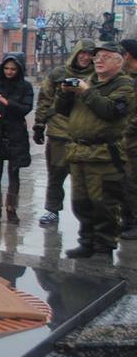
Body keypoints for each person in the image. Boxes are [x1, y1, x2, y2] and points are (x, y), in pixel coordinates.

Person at [55, 42, 134, 259]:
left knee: (104, 204)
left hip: (104, 155)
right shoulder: (87, 82)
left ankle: (103, 247)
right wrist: (65, 93)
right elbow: (61, 111)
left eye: (106, 57)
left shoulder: (124, 85)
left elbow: (111, 111)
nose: (98, 60)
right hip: (79, 152)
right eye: (97, 56)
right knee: (80, 202)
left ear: (119, 62)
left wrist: (86, 92)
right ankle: (87, 242)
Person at [33, 39, 95, 227]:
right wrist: (39, 124)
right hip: (59, 133)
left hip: (84, 135)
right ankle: (52, 210)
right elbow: (44, 98)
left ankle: (87, 216)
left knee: (84, 179)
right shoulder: (59, 74)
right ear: (76, 53)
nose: (85, 57)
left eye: (89, 54)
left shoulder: (96, 76)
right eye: (82, 53)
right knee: (56, 175)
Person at [0, 53, 34, 224]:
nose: (9, 72)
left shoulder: (25, 87)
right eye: (6, 68)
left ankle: (11, 209)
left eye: (13, 69)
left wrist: (8, 103)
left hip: (16, 133)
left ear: (18, 70)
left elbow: (26, 108)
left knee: (14, 173)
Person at [120, 39, 137, 240]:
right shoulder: (127, 78)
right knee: (125, 181)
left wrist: (126, 129)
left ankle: (133, 223)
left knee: (133, 182)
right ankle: (127, 220)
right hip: (126, 141)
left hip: (133, 140)